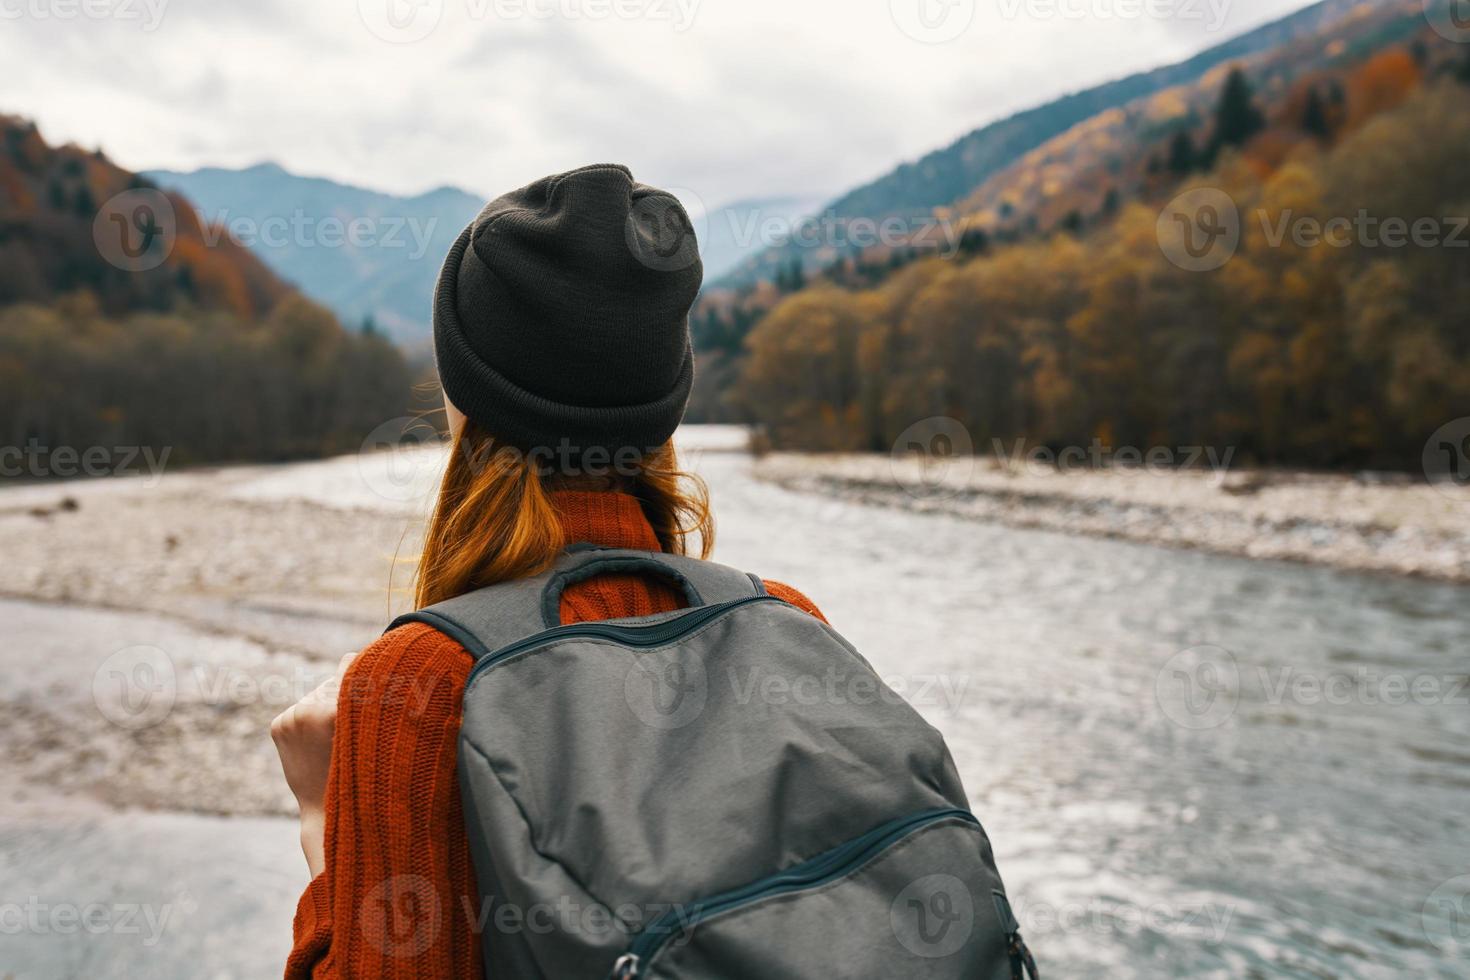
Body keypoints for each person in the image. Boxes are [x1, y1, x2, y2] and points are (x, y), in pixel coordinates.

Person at [270, 164, 824, 978]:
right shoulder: (790, 622)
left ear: (465, 403)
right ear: (665, 399)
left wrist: (326, 826)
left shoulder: (419, 687)